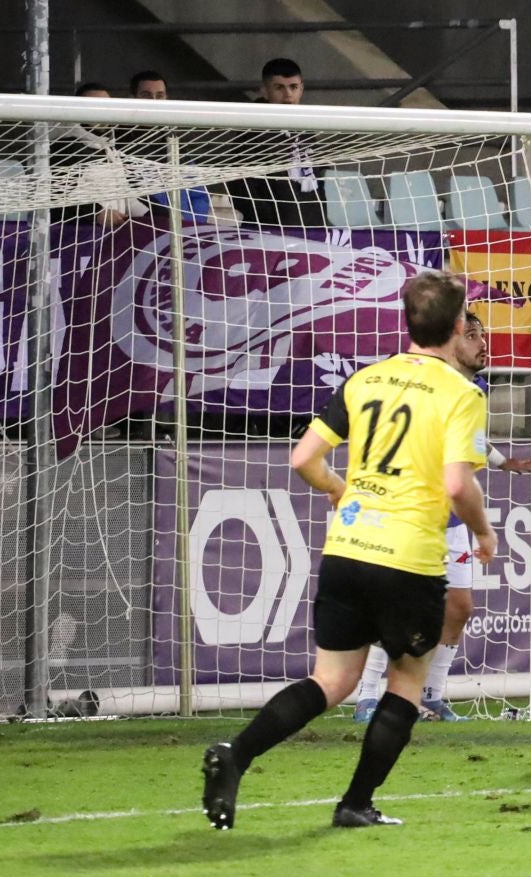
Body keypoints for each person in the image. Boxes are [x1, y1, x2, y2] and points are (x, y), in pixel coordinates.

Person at [201, 272, 499, 829]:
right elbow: (459, 485)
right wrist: (483, 532)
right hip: (407, 555)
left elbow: (303, 459)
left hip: (347, 548)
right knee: (407, 682)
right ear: (458, 327)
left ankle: (235, 755)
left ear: (406, 323)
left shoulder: (365, 380)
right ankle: (355, 803)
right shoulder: (462, 394)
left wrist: (343, 492)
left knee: (332, 682)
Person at [353, 312, 531, 724]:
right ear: (452, 341)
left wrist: (505, 463)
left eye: (483, 335)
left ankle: (432, 696)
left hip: (452, 520)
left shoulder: (475, 388)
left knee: (459, 608)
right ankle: (367, 697)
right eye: (472, 336)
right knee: (402, 608)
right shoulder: (427, 385)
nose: (482, 344)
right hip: (415, 513)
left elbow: (470, 440)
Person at [223, 58, 326, 229]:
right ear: (264, 91)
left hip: (312, 228)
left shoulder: (306, 129)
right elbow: (239, 185)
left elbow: (318, 176)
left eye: (293, 87)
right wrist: (271, 221)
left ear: (302, 88)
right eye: (279, 88)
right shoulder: (251, 131)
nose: (288, 95)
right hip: (271, 233)